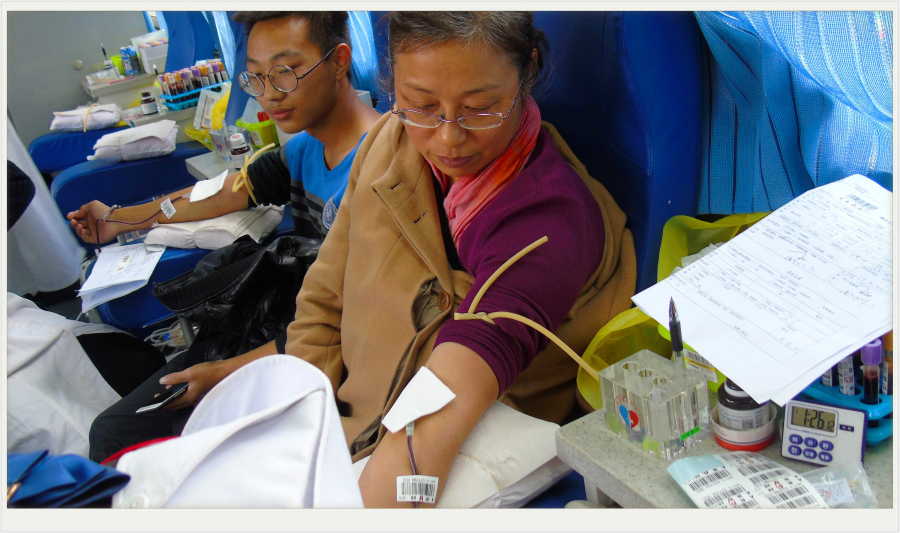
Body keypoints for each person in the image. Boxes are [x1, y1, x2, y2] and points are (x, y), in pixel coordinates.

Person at [108, 12, 638, 509]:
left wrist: (379, 492)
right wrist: (301, 417)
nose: (449, 138)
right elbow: (325, 294)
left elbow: (452, 392)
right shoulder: (388, 142)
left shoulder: (546, 218)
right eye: (421, 104)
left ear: (527, 74)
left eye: (480, 107)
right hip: (340, 413)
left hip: (428, 434)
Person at [85, 11, 380, 463]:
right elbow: (223, 194)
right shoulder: (304, 148)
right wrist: (118, 219)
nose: (269, 94)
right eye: (256, 77)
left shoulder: (380, 168)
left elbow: (357, 321)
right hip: (279, 328)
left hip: (325, 355)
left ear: (340, 61)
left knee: (123, 443)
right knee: (112, 433)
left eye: (285, 71)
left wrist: (224, 373)